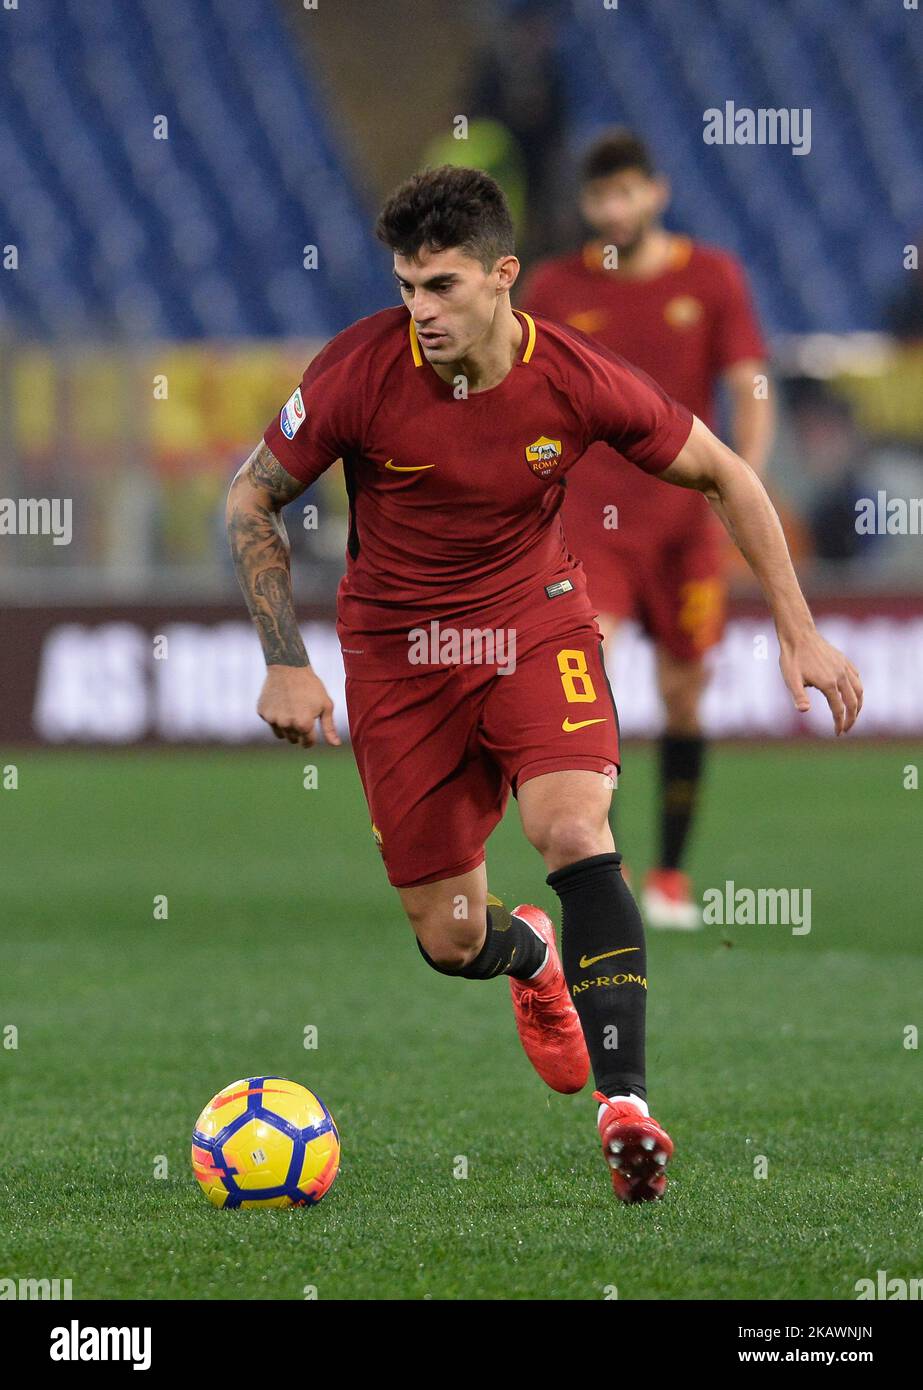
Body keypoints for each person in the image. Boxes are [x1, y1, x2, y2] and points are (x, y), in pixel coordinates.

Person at [226, 167, 861, 1203]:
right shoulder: (355, 371)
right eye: (404, 287)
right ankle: (532, 963)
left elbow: (726, 473)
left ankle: (627, 1108)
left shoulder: (569, 375)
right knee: (449, 937)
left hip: (532, 623)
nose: (418, 310)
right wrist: (285, 660)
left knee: (573, 826)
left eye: (439, 286)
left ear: (501, 276)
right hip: (397, 655)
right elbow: (249, 501)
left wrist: (798, 631)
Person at [520, 130, 775, 928]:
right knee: (586, 671)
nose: (613, 209)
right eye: (599, 197)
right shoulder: (555, 288)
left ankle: (669, 873)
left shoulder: (711, 276)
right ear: (585, 206)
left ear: (655, 193)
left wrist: (744, 482)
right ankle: (607, 864)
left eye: (626, 193)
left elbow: (749, 384)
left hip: (684, 522)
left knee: (683, 695)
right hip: (591, 521)